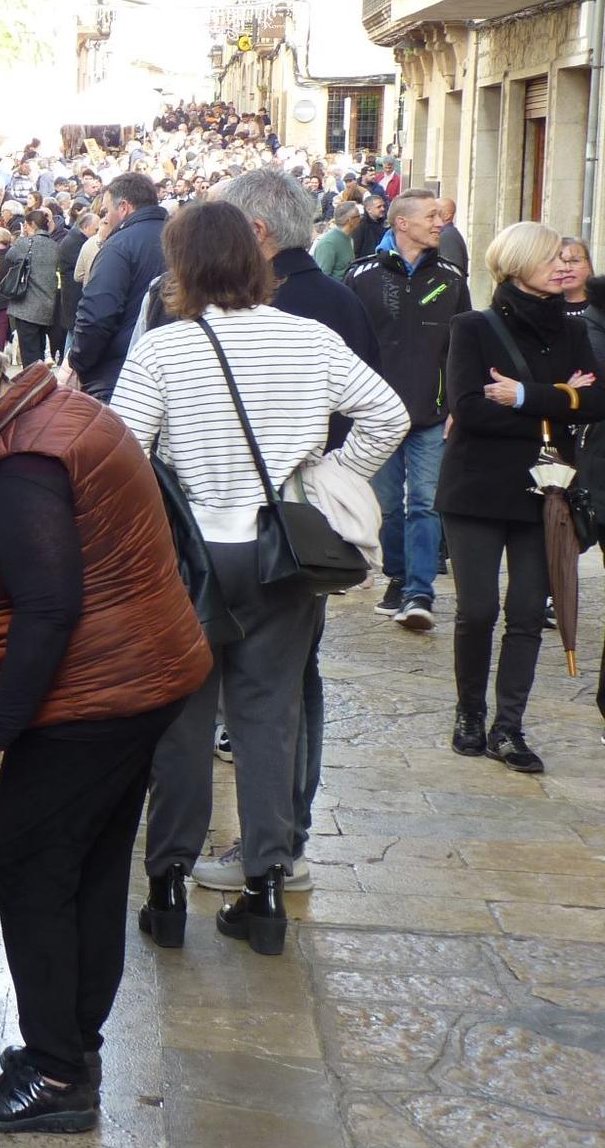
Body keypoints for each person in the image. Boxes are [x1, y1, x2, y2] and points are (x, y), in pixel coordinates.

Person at [0, 323, 208, 1133]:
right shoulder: (56, 415)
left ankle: (58, 1073)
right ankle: (70, 1050)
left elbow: (50, 605)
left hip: (101, 690)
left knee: (23, 861)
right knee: (84, 864)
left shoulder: (19, 463)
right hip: (144, 674)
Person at [113, 202, 406, 956]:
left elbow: (121, 455)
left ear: (182, 268)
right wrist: (323, 479)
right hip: (283, 554)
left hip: (190, 559)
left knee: (181, 724)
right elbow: (388, 415)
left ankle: (168, 886)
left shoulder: (164, 351)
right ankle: (267, 890)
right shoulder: (310, 339)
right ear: (255, 260)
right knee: (269, 721)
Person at [191, 170, 381, 897]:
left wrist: (317, 472)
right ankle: (283, 841)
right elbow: (374, 411)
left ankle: (268, 843)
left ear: (257, 235)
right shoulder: (338, 299)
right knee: (292, 681)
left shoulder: (265, 308)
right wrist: (329, 477)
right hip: (304, 534)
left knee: (254, 691)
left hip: (242, 528)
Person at [438, 223, 605, 774]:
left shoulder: (572, 328)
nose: (564, 266)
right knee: (479, 608)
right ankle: (469, 714)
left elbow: (597, 401)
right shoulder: (472, 327)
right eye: (552, 258)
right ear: (519, 263)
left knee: (529, 611)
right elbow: (471, 408)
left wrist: (523, 395)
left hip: (546, 494)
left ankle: (508, 727)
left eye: (566, 258)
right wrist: (561, 400)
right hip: (476, 488)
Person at [346, 191, 469, 630]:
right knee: (385, 505)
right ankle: (397, 576)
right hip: (377, 414)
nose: (441, 222)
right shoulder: (360, 276)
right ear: (402, 223)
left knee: (425, 502)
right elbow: (348, 347)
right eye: (431, 216)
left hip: (432, 413)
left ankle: (420, 591)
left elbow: (462, 348)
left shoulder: (453, 277)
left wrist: (457, 403)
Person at [66, 171, 169, 401]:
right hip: (172, 371)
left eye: (106, 211)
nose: (105, 218)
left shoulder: (119, 245)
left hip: (120, 376)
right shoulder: (181, 237)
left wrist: (79, 362)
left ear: (123, 207)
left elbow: (97, 314)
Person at [6, 209, 62, 367]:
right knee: (39, 348)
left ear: (31, 225)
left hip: (27, 305)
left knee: (29, 354)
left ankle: (32, 385)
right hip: (47, 305)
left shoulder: (25, 243)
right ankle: (41, 383)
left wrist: (23, 236)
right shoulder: (55, 246)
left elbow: (10, 257)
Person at [53, 212, 94, 359]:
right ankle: (67, 367)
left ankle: (66, 364)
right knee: (73, 333)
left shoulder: (73, 238)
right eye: (95, 230)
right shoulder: (75, 242)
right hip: (73, 294)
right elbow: (80, 271)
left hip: (71, 295)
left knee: (72, 333)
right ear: (87, 227)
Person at [311, 200, 363, 281]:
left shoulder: (349, 237)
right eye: (359, 216)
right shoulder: (328, 243)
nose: (361, 219)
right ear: (350, 220)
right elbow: (322, 277)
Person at [561, 237, 593, 320]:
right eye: (561, 262)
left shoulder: (601, 306)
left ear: (589, 265)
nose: (567, 268)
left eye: (575, 261)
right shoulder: (542, 308)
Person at [436, 196, 468, 276]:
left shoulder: (447, 237)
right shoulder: (445, 234)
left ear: (447, 216)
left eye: (435, 211)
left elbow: (452, 275)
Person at [354, 191, 389, 259]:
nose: (383, 209)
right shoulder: (360, 226)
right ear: (369, 210)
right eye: (379, 207)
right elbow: (356, 250)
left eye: (383, 206)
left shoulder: (386, 222)